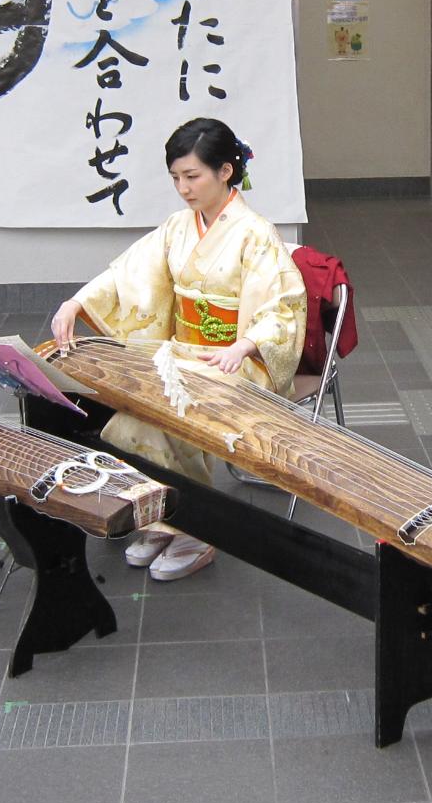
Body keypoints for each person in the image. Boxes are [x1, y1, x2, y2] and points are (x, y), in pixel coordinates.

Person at [51, 117, 307, 581]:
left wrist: (245, 344)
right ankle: (168, 518)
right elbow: (129, 274)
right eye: (176, 178)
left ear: (226, 171)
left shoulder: (256, 233)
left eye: (193, 177)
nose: (183, 189)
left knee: (167, 417)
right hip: (181, 350)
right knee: (129, 419)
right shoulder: (177, 227)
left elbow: (283, 305)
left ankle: (196, 530)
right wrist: (77, 301)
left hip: (234, 359)